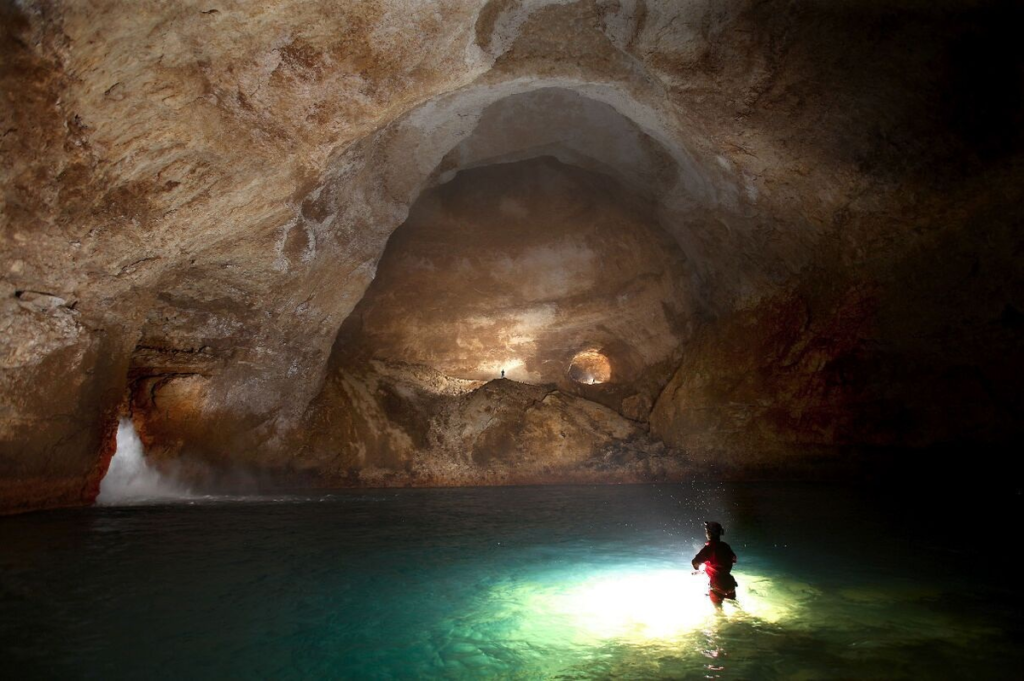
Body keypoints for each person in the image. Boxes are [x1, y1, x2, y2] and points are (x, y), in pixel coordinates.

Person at [692, 521, 738, 606]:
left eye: (706, 531)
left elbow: (695, 563)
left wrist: (698, 568)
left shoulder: (708, 549)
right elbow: (733, 560)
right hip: (729, 582)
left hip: (716, 585)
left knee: (719, 613)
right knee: (736, 607)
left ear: (709, 533)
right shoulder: (725, 546)